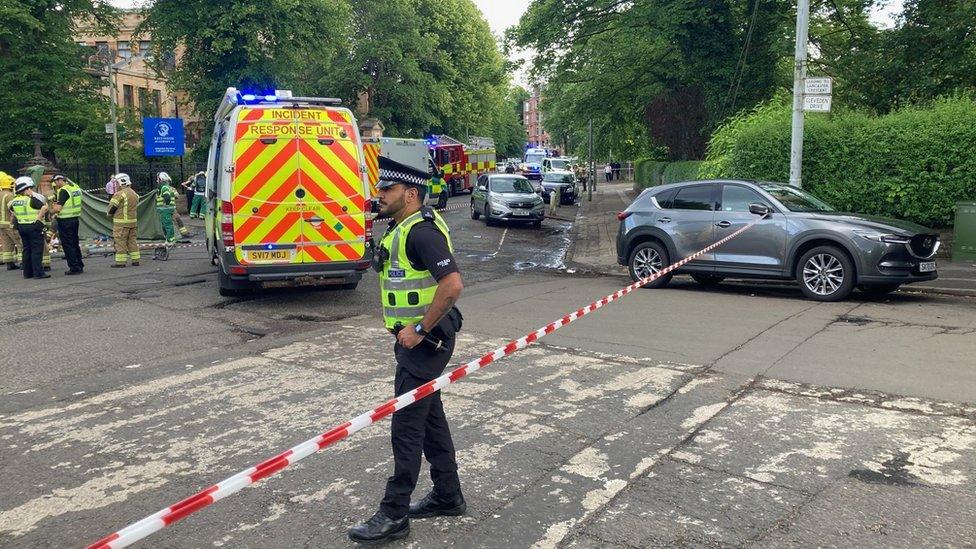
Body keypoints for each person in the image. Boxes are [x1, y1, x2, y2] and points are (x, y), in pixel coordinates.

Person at [348, 156, 465, 545]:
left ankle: (394, 513)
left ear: (410, 194)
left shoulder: (422, 232)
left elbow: (451, 285)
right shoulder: (401, 228)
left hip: (425, 343)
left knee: (406, 427)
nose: (378, 195)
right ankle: (448, 495)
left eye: (387, 190)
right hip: (417, 342)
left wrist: (419, 328)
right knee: (431, 420)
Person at [8, 177, 49, 279]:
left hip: (22, 227)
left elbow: (11, 209)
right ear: (25, 190)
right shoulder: (31, 200)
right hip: (33, 227)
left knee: (26, 250)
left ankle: (28, 273)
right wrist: (38, 219)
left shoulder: (15, 201)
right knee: (36, 250)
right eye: (29, 188)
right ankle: (38, 273)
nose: (31, 190)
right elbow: (44, 207)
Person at [51, 175, 85, 275]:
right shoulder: (75, 188)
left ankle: (74, 268)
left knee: (68, 244)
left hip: (65, 221)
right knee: (74, 243)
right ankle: (79, 265)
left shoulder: (63, 191)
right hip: (75, 219)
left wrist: (50, 211)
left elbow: (58, 208)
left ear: (60, 180)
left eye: (55, 181)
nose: (55, 184)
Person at [108, 173, 140, 267]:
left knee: (120, 242)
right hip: (133, 222)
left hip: (121, 224)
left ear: (121, 182)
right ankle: (135, 260)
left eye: (116, 183)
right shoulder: (134, 194)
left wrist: (109, 214)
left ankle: (121, 262)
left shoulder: (119, 194)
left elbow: (112, 207)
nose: (116, 185)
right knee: (132, 241)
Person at [0, 172, 22, 270]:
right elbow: (14, 209)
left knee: (7, 244)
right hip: (10, 224)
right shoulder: (9, 195)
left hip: (1, 224)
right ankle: (23, 263)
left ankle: (9, 263)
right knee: (19, 242)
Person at [155, 172, 178, 243]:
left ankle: (171, 240)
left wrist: (166, 204)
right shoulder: (165, 187)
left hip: (165, 209)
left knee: (167, 225)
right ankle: (168, 238)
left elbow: (167, 196)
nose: (157, 180)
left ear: (161, 179)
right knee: (165, 225)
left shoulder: (164, 187)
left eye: (158, 179)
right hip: (165, 209)